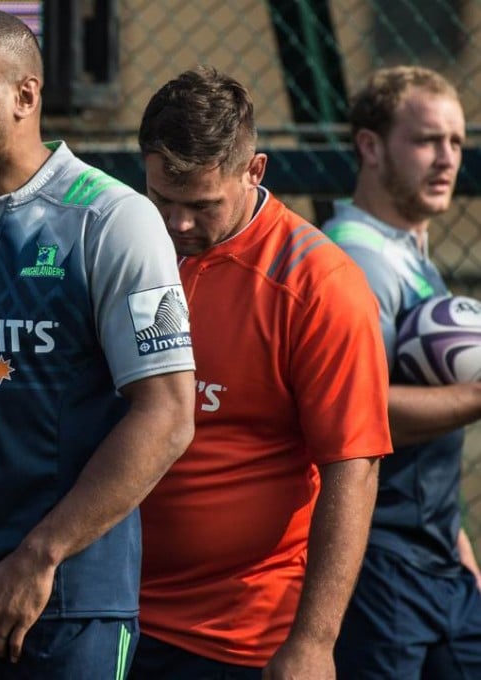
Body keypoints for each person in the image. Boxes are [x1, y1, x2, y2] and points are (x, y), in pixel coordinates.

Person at [0, 10, 196, 678]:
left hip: (67, 598)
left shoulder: (117, 220)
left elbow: (168, 414)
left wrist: (39, 557)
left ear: (26, 95)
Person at [132, 67, 392, 679]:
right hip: (106, 610)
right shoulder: (125, 249)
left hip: (237, 637)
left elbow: (352, 469)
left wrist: (313, 642)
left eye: (201, 205)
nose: (178, 223)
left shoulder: (318, 285)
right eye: (161, 199)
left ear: (255, 171)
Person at [322, 65, 481, 679]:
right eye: (425, 140)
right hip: (378, 564)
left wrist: (458, 546)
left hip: (437, 559)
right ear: (370, 146)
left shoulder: (408, 255)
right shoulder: (357, 257)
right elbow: (362, 411)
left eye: (457, 142)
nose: (446, 159)